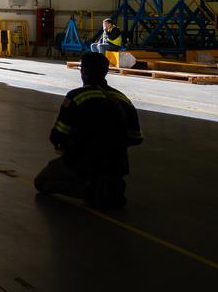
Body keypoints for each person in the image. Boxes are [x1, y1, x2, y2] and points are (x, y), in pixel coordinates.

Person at [34, 52, 143, 209]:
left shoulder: (76, 97)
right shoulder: (123, 99)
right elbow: (136, 137)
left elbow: (57, 135)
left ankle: (91, 191)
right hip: (116, 165)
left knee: (41, 182)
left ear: (83, 71)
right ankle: (109, 187)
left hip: (83, 162)